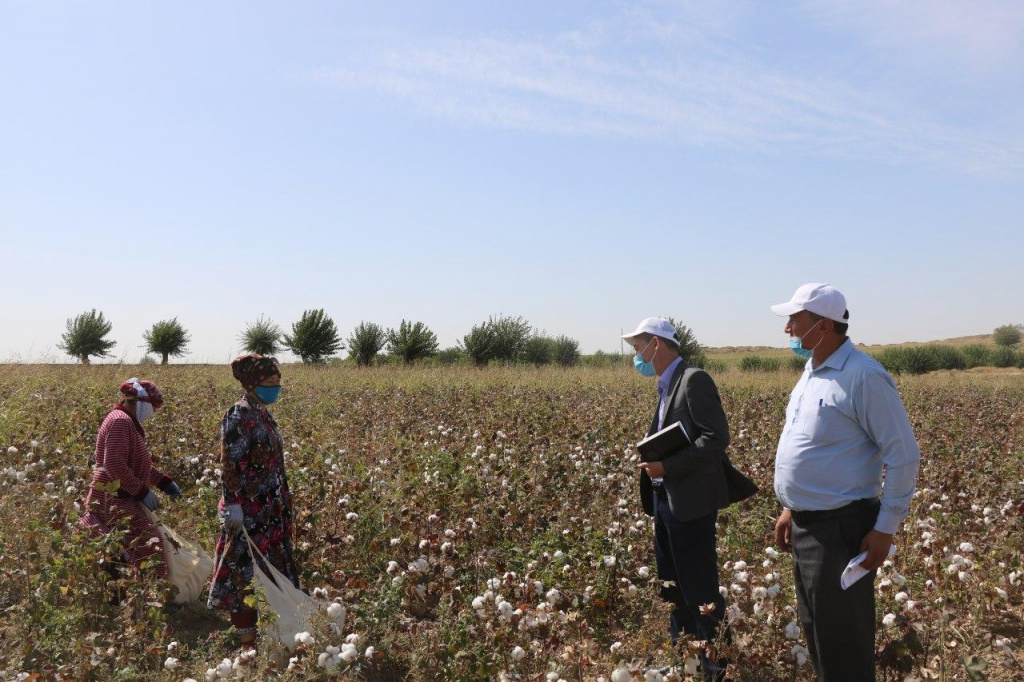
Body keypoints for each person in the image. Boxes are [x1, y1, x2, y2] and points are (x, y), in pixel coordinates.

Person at [770, 283, 920, 681]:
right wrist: (790, 507)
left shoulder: (864, 377)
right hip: (808, 526)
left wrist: (885, 529)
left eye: (795, 320)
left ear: (822, 325)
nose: (788, 329)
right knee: (817, 633)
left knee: (843, 645)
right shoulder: (811, 372)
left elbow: (903, 456)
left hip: (841, 529)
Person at [624, 317, 755, 682]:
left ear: (656, 344)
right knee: (671, 585)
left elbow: (716, 438)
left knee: (699, 587)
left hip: (691, 503)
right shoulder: (666, 387)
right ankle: (684, 659)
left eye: (639, 349)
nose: (637, 357)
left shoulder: (693, 379)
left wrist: (668, 465)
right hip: (665, 501)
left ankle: (716, 667)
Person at [208, 354, 300, 651]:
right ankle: (248, 645)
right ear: (252, 384)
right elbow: (230, 463)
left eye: (277, 381)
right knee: (244, 574)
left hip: (270, 512)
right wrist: (233, 504)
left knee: (272, 573)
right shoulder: (239, 414)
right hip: (248, 513)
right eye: (270, 382)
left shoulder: (261, 413)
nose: (276, 387)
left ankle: (278, 634)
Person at [80, 378, 182, 579]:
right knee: (149, 544)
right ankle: (151, 595)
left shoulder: (126, 421)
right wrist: (142, 491)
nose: (153, 412)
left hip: (115, 494)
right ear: (142, 402)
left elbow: (136, 465)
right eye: (153, 407)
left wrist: (163, 481)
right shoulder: (120, 421)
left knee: (124, 544)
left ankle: (124, 590)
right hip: (112, 496)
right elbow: (115, 464)